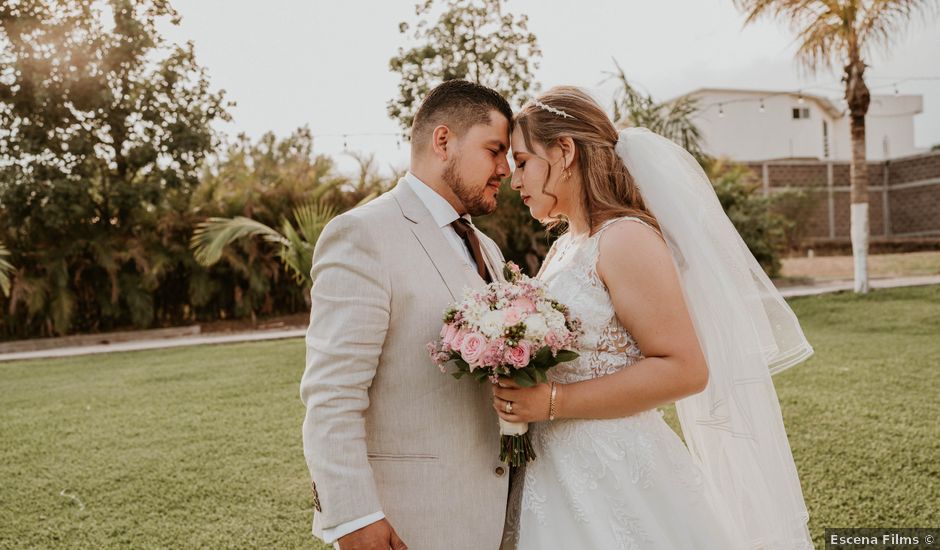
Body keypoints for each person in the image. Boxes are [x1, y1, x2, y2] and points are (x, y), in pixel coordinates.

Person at [495, 86, 815, 550]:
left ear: (565, 151)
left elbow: (685, 369)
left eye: (522, 162)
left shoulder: (626, 238)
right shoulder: (567, 245)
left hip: (616, 472)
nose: (514, 179)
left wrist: (551, 402)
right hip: (554, 471)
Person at [300, 80, 513, 550]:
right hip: (412, 520)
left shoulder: (490, 249)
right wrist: (353, 516)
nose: (506, 169)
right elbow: (332, 393)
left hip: (496, 516)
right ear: (443, 141)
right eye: (495, 150)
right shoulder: (363, 235)